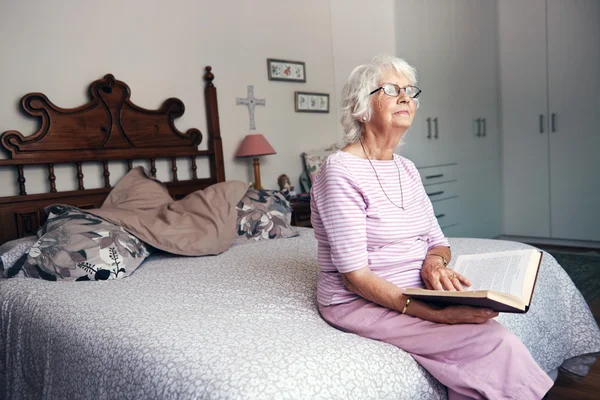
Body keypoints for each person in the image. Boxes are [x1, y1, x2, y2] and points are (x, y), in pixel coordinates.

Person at [310, 55, 553, 399]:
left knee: (487, 320)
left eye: (409, 90)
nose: (406, 97)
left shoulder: (406, 169)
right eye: (392, 89)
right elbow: (354, 277)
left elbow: (439, 242)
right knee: (493, 342)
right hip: (358, 301)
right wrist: (438, 316)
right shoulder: (340, 171)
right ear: (359, 107)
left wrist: (433, 263)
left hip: (415, 289)